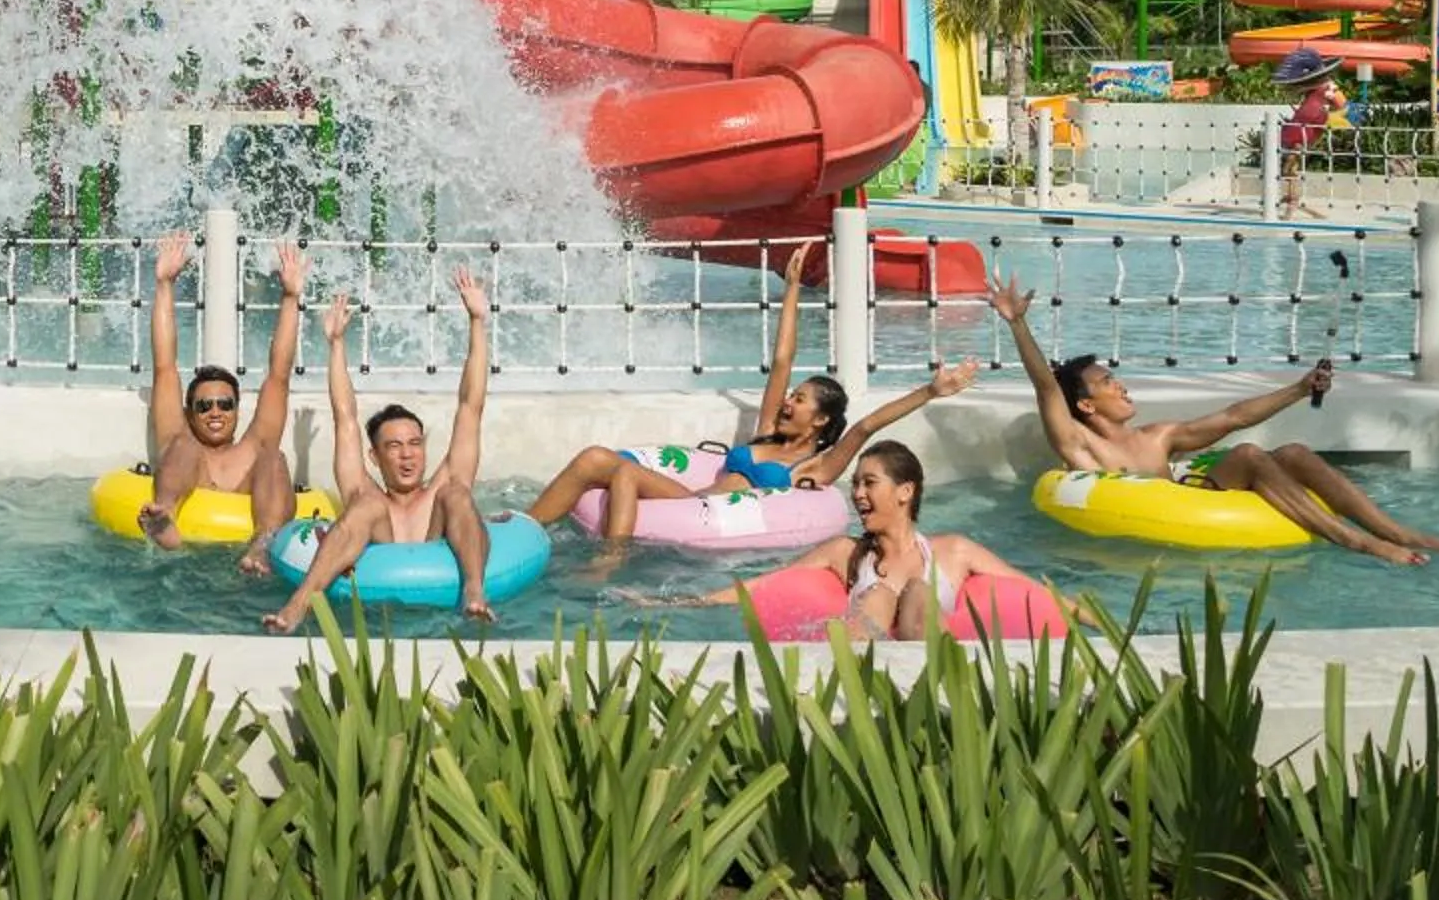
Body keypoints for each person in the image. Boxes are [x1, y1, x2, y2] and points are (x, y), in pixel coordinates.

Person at [987, 277, 1439, 564]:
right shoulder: (1080, 447)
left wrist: (1301, 389)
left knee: (1295, 452)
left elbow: (1235, 415)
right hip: (1161, 529)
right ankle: (1357, 542)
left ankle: (1398, 532)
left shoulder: (1159, 438)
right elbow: (1048, 387)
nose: (1122, 386)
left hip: (1193, 495)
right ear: (1087, 406)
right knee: (1250, 456)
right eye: (1108, 382)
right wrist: (1016, 323)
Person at [522, 240, 982, 539]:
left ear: (820, 419)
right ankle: (523, 530)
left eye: (799, 401)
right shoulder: (766, 432)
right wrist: (792, 290)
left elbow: (865, 426)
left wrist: (930, 390)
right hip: (690, 497)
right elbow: (782, 359)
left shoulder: (815, 466)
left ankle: (609, 562)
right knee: (594, 459)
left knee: (620, 474)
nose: (787, 402)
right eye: (791, 396)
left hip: (704, 513)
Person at [262, 270, 497, 632]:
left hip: (441, 545)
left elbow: (471, 406)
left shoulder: (439, 490)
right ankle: (299, 604)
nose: (407, 455)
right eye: (395, 446)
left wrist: (477, 323)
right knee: (365, 504)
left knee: (458, 493)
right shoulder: (366, 492)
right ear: (375, 456)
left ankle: (475, 590)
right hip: (373, 581)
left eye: (415, 444)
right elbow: (346, 418)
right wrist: (336, 345)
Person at [669, 440, 1039, 640]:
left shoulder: (953, 551)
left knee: (917, 592)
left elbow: (1033, 591)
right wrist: (684, 602)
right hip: (866, 664)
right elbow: (764, 586)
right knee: (876, 595)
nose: (858, 494)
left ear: (905, 491)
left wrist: (1092, 618)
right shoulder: (844, 552)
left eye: (870, 483)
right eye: (857, 483)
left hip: (929, 657)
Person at [138, 234, 311, 575]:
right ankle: (166, 516)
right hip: (183, 488)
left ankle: (264, 545)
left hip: (255, 511)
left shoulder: (252, 446)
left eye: (223, 404)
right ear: (189, 412)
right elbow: (165, 367)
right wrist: (164, 285)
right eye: (203, 407)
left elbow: (279, 375)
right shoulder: (182, 438)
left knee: (273, 456)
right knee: (182, 446)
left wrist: (291, 298)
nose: (215, 412)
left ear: (236, 408)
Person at [1275, 45, 1347, 216]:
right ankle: (1292, 198)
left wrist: (1327, 119)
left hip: (1305, 131)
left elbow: (1344, 108)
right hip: (1298, 130)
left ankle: (1292, 201)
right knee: (1289, 167)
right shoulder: (1314, 91)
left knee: (1290, 166)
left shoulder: (1329, 88)